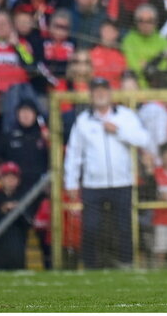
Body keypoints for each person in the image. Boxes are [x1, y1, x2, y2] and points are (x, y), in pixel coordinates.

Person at [63, 77, 149, 269]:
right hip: (93, 184)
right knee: (91, 227)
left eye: (103, 90)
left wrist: (118, 131)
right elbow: (74, 154)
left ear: (110, 93)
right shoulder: (83, 121)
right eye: (96, 91)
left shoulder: (125, 116)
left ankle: (126, 264)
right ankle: (90, 265)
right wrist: (71, 183)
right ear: (91, 96)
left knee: (123, 227)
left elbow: (143, 139)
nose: (100, 94)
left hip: (122, 182)